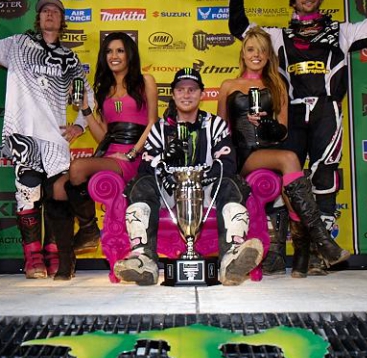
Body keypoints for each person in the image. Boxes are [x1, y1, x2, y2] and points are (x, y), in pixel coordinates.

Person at [228, 0, 367, 273]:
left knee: (325, 174)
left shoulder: (342, 31)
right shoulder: (278, 36)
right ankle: (277, 253)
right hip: (290, 111)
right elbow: (240, 28)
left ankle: (318, 253)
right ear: (293, 0)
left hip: (327, 110)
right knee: (285, 178)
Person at [0, 0, 88, 280]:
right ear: (38, 19)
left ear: (62, 21)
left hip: (55, 139)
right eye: (45, 11)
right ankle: (33, 258)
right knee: (28, 192)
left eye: (55, 12)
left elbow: (86, 95)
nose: (50, 15)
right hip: (23, 133)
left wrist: (80, 124)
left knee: (57, 196)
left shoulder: (70, 59)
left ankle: (55, 252)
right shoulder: (18, 44)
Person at [113, 67, 264, 287]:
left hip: (206, 190)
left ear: (202, 94)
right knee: (142, 185)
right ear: (173, 95)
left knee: (231, 184)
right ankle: (143, 260)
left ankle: (231, 258)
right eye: (181, 89)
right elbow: (145, 167)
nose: (186, 94)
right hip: (169, 192)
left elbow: (228, 163)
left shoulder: (215, 125)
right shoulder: (159, 128)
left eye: (192, 89)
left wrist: (200, 178)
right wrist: (165, 160)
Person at [217, 27, 347, 278]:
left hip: (271, 151)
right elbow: (221, 130)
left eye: (262, 51)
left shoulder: (277, 85)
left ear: (269, 56)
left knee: (291, 191)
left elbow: (284, 131)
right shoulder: (228, 85)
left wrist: (268, 125)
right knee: (290, 159)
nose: (256, 55)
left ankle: (301, 255)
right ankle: (323, 241)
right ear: (243, 54)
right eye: (251, 49)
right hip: (243, 154)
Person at [48, 32, 158, 255]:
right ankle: (66, 255)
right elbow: (103, 136)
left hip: (135, 157)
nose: (113, 56)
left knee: (77, 167)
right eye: (109, 51)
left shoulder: (145, 81)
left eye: (119, 51)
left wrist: (131, 154)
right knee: (58, 187)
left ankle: (89, 230)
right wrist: (85, 108)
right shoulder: (105, 90)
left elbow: (152, 124)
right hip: (110, 155)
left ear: (129, 55)